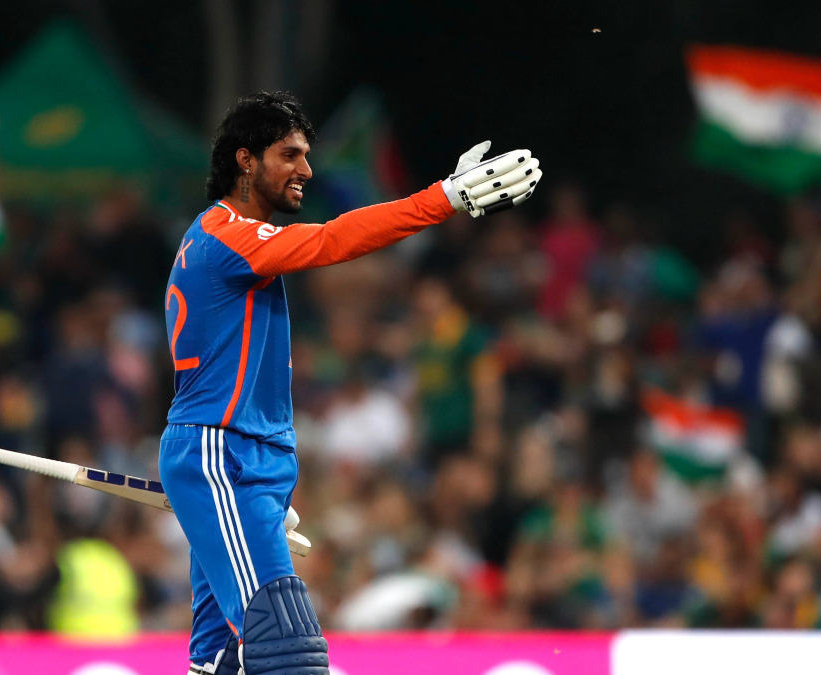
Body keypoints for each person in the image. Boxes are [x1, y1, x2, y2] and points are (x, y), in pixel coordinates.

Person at [159, 90, 542, 675]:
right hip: (225, 454)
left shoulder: (221, 237)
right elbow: (330, 240)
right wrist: (442, 198)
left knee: (220, 662)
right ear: (246, 161)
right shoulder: (226, 234)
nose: (307, 170)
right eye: (289, 154)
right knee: (286, 648)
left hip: (240, 458)